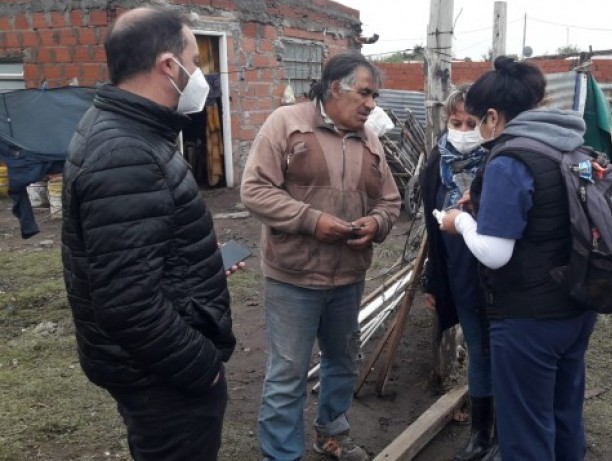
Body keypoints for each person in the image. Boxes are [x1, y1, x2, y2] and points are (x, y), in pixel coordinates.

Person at [61, 8, 237, 461]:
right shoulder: (125, 151)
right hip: (163, 380)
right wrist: (202, 368)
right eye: (195, 62)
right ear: (168, 66)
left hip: (152, 371)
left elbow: (134, 250)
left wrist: (194, 262)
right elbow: (127, 304)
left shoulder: (131, 133)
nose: (199, 74)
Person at [241, 52, 401, 461]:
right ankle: (281, 455)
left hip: (348, 276)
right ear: (335, 88)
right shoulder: (287, 123)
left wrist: (376, 225)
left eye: (375, 95)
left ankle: (332, 433)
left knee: (343, 361)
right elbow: (255, 191)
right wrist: (311, 220)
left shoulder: (371, 140)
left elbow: (389, 201)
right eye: (364, 93)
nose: (371, 104)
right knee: (288, 372)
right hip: (293, 276)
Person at [439, 56, 597, 461]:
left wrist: (461, 223)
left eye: (475, 121)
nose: (475, 130)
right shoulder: (568, 147)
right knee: (563, 418)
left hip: (529, 319)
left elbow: (495, 253)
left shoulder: (510, 159)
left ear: (493, 116)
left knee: (525, 431)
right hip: (576, 305)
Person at [419, 84, 495, 461]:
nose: (464, 131)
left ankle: (506, 432)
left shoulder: (502, 159)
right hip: (460, 271)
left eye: (472, 122)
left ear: (488, 122)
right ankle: (481, 435)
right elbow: (432, 230)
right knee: (480, 353)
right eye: (456, 121)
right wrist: (434, 281)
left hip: (502, 275)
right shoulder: (437, 161)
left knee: (506, 354)